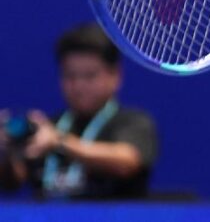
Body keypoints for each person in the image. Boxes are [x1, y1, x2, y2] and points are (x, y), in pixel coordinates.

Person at [0, 23, 158, 199]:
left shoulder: (133, 122)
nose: (78, 86)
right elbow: (12, 182)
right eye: (70, 76)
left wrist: (59, 142)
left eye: (89, 76)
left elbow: (127, 161)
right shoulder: (50, 126)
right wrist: (8, 152)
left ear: (115, 76)